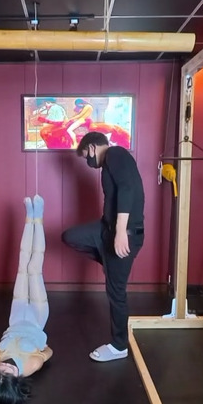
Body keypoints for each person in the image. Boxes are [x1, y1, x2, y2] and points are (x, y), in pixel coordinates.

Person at [62, 131, 144, 362]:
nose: (87, 162)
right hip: (105, 230)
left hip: (125, 234)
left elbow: (127, 188)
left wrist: (121, 232)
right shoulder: (109, 163)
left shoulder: (115, 153)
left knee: (116, 292)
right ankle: (110, 261)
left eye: (85, 155)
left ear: (92, 147)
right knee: (70, 236)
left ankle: (119, 346)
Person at [0, 195, 53, 404]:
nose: (5, 367)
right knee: (34, 268)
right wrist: (42, 345)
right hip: (36, 320)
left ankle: (29, 216)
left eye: (0, 372)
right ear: (17, 381)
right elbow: (49, 352)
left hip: (15, 318)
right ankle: (39, 216)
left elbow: (0, 355)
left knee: (22, 265)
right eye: (9, 374)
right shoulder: (31, 365)